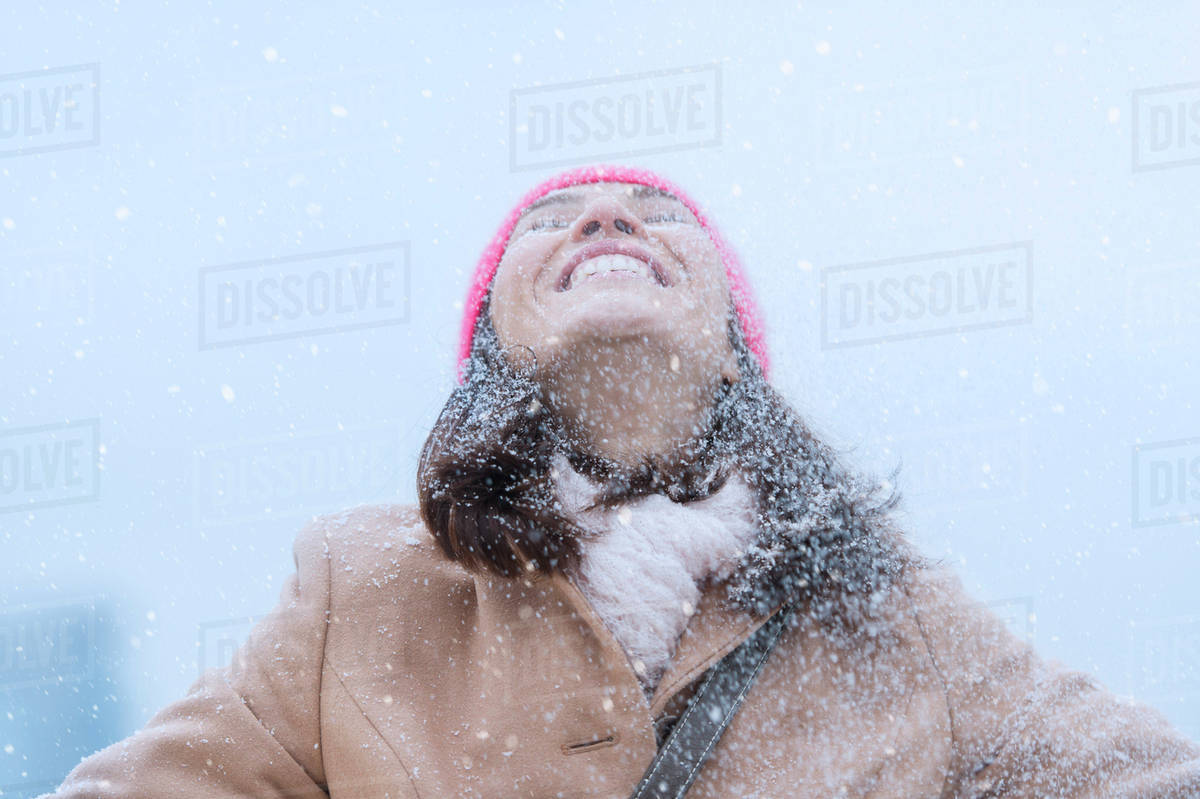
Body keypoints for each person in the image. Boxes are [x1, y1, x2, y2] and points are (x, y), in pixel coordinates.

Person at [44, 164, 1200, 798]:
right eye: (555, 219)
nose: (607, 212)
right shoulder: (360, 585)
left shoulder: (893, 613)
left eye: (661, 219)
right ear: (489, 353)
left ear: (738, 347)